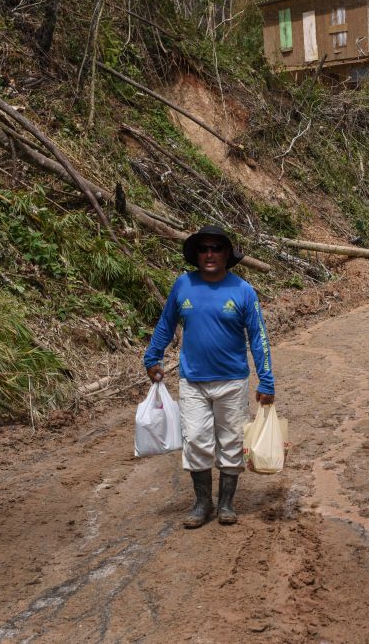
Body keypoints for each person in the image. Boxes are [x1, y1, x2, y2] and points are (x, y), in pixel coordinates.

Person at [143, 225, 276, 529]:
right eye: (204, 249)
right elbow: (166, 324)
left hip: (232, 381)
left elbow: (259, 337)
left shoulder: (242, 290)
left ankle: (227, 503)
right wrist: (152, 357)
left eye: (217, 248)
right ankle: (203, 502)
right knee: (197, 442)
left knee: (231, 441)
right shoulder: (183, 286)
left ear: (227, 254)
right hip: (193, 381)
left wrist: (266, 380)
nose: (210, 254)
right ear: (196, 255)